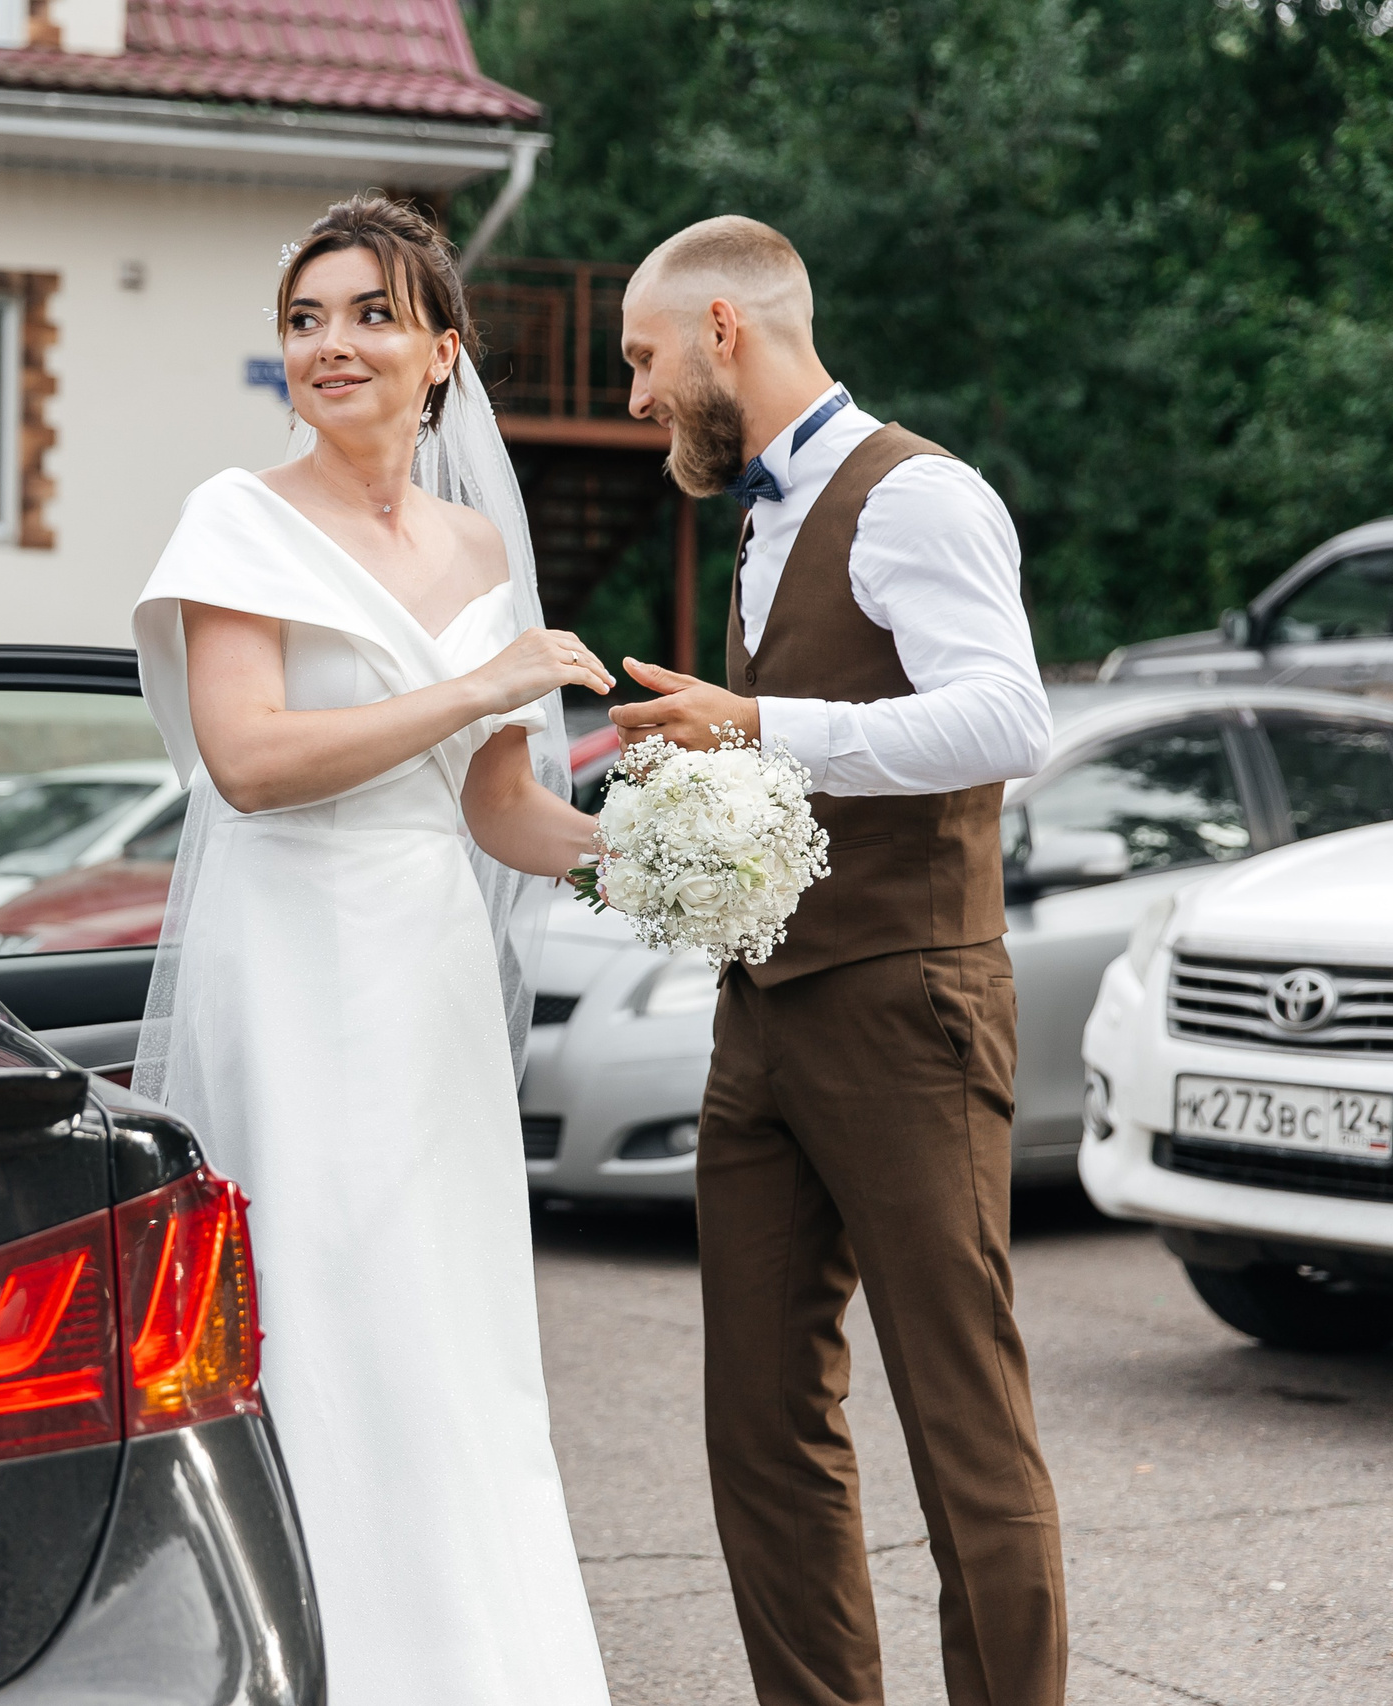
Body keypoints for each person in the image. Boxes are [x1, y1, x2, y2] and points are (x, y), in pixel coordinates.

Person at [131, 194, 615, 1703]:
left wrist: (663, 857)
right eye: (304, 320)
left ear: (442, 352)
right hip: (291, 958)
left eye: (369, 315)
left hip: (429, 970)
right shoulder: (238, 519)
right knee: (321, 1305)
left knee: (449, 1325)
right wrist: (477, 689)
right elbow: (249, 762)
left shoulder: (479, 545)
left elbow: (500, 810)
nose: (330, 345)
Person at [612, 215, 1066, 1706]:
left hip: (907, 1005)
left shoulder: (916, 493)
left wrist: (757, 725)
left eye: (644, 360)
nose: (636, 396)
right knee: (758, 1417)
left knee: (959, 1413)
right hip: (764, 1014)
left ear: (723, 330)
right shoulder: (762, 515)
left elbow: (1008, 719)